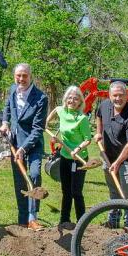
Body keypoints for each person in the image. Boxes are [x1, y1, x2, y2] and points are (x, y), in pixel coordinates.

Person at [0, 63, 48, 231]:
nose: (21, 79)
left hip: (32, 144)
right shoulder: (13, 90)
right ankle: (22, 219)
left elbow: (37, 129)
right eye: (18, 75)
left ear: (30, 76)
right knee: (20, 180)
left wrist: (23, 148)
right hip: (15, 142)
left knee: (34, 176)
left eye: (24, 76)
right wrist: (5, 122)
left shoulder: (41, 98)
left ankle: (33, 218)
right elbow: (7, 108)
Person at [94, 80, 128, 229]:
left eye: (121, 95)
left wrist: (118, 162)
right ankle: (113, 220)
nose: (118, 99)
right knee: (113, 190)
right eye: (115, 95)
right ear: (109, 95)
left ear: (127, 96)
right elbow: (98, 116)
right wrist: (98, 133)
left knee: (127, 192)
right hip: (108, 156)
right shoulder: (104, 105)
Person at [46, 86, 92, 228]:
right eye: (70, 98)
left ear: (80, 102)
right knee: (66, 191)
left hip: (79, 159)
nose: (72, 100)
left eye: (76, 98)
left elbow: (88, 139)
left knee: (76, 192)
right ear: (66, 99)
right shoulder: (61, 111)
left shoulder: (82, 118)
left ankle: (82, 223)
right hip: (65, 157)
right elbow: (53, 113)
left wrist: (77, 149)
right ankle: (64, 220)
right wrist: (47, 125)